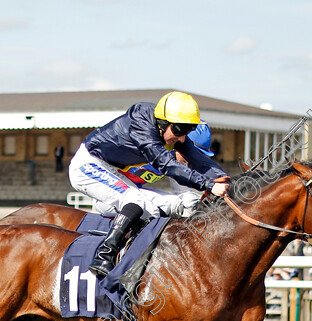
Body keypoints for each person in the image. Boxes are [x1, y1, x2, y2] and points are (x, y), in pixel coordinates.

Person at [68, 91, 230, 276]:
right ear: (162, 123)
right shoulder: (142, 126)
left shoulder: (170, 130)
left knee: (163, 209)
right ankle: (105, 255)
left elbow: (198, 159)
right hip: (88, 165)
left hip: (114, 172)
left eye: (187, 132)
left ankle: (137, 259)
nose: (183, 138)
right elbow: (166, 164)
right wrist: (209, 185)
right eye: (179, 131)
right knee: (135, 200)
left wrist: (230, 182)